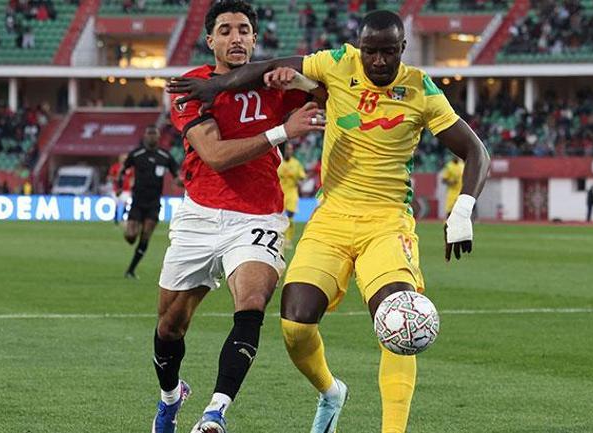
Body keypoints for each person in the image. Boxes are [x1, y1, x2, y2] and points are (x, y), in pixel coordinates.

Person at [167, 9, 490, 433]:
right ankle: (331, 391)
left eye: (388, 53)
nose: (377, 61)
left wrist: (463, 209)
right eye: (370, 51)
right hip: (331, 217)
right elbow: (268, 67)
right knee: (295, 325)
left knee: (399, 317)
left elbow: (476, 151)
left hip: (387, 222)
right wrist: (217, 84)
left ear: (402, 50)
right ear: (360, 47)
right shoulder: (338, 63)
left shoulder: (420, 89)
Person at [154, 2, 326, 433]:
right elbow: (214, 156)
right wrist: (283, 131)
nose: (236, 37)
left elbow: (330, 93)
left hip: (259, 218)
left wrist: (300, 79)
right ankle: (171, 397)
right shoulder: (190, 86)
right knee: (170, 327)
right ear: (210, 40)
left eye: (244, 30)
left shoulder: (273, 84)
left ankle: (216, 412)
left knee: (251, 305)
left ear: (254, 38)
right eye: (226, 30)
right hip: (200, 215)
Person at [118, 125, 180, 279]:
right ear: (145, 136)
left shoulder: (164, 156)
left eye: (154, 134)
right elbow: (122, 170)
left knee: (146, 235)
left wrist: (182, 182)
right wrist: (119, 186)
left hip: (154, 203)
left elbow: (176, 174)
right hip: (137, 202)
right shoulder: (137, 154)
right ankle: (128, 226)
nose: (152, 137)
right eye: (149, 133)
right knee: (131, 237)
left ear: (158, 137)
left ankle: (131, 270)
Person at [277, 142, 306, 248]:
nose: (289, 151)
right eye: (287, 149)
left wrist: (300, 181)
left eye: (291, 149)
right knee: (278, 218)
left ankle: (288, 240)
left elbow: (302, 177)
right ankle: (280, 238)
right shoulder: (278, 161)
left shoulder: (296, 164)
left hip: (292, 194)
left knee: (290, 217)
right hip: (279, 194)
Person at [109, 153, 134, 225]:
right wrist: (115, 179)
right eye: (123, 158)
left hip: (126, 190)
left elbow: (132, 177)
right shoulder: (115, 167)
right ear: (120, 159)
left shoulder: (130, 168)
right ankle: (116, 219)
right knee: (116, 204)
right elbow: (110, 177)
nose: (124, 159)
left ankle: (123, 218)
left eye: (126, 158)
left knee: (126, 204)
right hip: (116, 189)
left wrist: (132, 184)